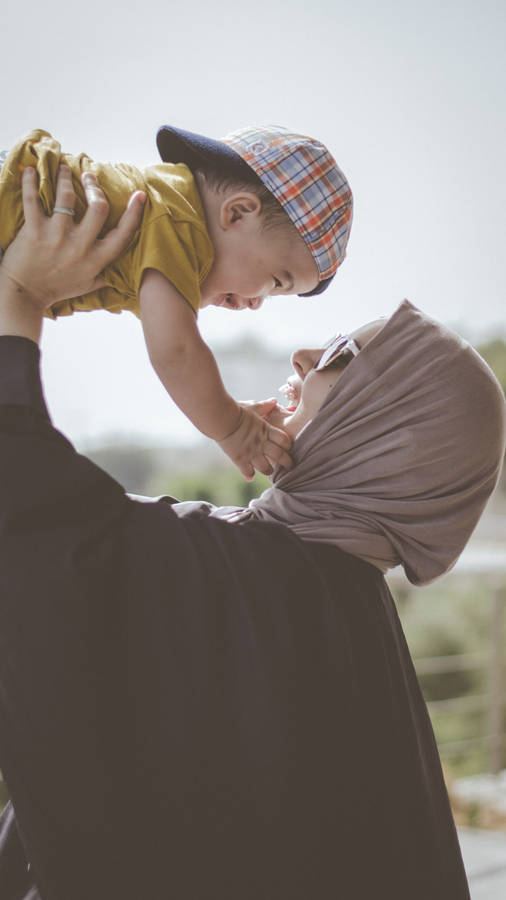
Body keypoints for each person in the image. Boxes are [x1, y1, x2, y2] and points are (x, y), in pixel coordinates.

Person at [0, 168, 504, 900]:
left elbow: (32, 514)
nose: (300, 356)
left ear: (389, 437)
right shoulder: (348, 613)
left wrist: (20, 299)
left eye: (338, 358)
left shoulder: (244, 578)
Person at [0, 124, 353, 481]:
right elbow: (176, 352)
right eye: (275, 282)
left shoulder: (161, 227)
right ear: (237, 213)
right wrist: (232, 427)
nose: (256, 304)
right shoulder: (178, 225)